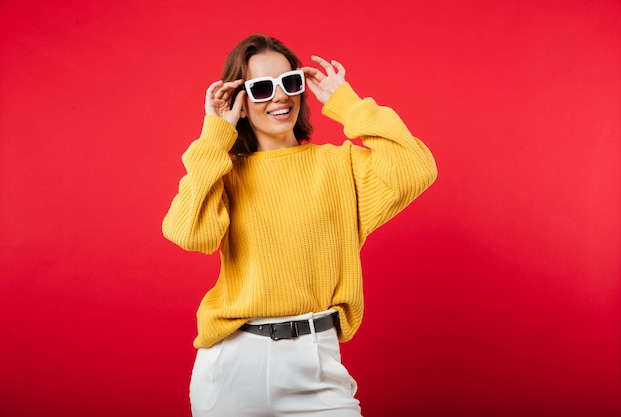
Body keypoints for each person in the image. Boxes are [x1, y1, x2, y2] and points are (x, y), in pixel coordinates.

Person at [162, 33, 437, 417]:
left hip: (317, 362)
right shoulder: (224, 175)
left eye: (289, 82)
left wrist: (346, 103)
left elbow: (416, 166)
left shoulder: (339, 166)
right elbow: (188, 232)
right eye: (261, 89)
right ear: (239, 103)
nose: (280, 97)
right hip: (235, 367)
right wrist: (214, 135)